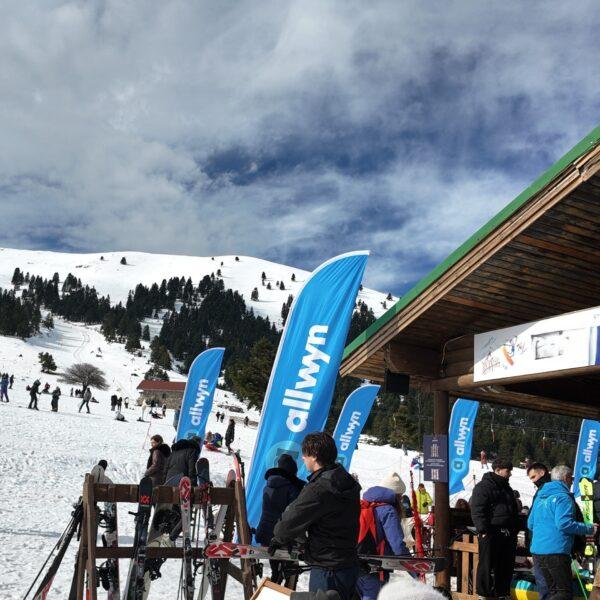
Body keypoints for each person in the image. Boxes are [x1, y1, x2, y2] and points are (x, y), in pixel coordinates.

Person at [271, 432, 361, 600]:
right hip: (348, 565)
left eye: (305, 454)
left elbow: (287, 524)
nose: (303, 458)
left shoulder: (319, 488)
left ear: (314, 456)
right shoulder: (347, 482)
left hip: (327, 569)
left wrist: (280, 538)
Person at [528, 465, 594, 600]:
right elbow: (564, 523)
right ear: (565, 478)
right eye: (571, 479)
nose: (572, 482)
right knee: (563, 592)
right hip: (556, 550)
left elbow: (530, 524)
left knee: (552, 591)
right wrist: (589, 528)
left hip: (538, 551)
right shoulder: (563, 497)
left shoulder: (540, 496)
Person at [470, 458, 519, 600]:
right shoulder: (483, 487)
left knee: (505, 565)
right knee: (486, 565)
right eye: (507, 471)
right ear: (498, 470)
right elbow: (477, 509)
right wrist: (483, 530)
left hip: (507, 533)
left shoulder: (506, 488)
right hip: (490, 531)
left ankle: (502, 593)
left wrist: (514, 529)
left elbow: (512, 510)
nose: (510, 474)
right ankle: (483, 594)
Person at [356, 473, 410, 600]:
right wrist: (415, 570)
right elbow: (397, 546)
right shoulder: (388, 510)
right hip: (375, 568)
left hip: (355, 564)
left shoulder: (364, 504)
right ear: (397, 495)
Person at [256, 453, 305, 585]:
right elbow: (294, 516)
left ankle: (275, 581)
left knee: (276, 570)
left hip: (266, 533)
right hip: (283, 538)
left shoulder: (268, 486)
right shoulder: (293, 489)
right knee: (290, 572)